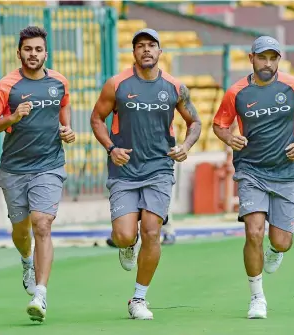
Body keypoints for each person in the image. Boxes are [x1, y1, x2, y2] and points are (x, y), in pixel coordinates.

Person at [90, 28, 201, 320]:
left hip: (159, 169)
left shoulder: (175, 87)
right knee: (125, 235)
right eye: (140, 46)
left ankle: (138, 298)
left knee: (152, 231)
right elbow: (96, 118)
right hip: (124, 170)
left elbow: (195, 122)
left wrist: (186, 146)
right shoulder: (117, 85)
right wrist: (111, 147)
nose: (146, 50)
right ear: (134, 53)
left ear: (160, 52)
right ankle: (126, 247)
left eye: (152, 45)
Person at [212, 36, 294, 319]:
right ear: (251, 59)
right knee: (253, 232)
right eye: (262, 57)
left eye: (273, 58)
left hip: (286, 172)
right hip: (251, 171)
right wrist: (229, 137)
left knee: (282, 241)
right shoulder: (237, 92)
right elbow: (219, 124)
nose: (267, 63)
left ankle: (276, 249)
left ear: (278, 60)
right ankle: (257, 297)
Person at [0, 26, 75, 323]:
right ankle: (25, 260)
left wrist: (66, 129)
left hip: (49, 165)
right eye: (28, 49)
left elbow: (63, 107)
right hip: (15, 169)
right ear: (19, 52)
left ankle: (41, 294)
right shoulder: (6, 86)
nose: (33, 54)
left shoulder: (58, 81)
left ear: (46, 53)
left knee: (42, 224)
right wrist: (12, 117)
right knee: (22, 233)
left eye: (38, 49)